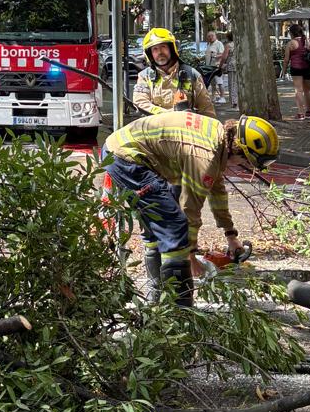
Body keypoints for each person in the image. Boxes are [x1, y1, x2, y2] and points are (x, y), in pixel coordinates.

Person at [103, 110, 279, 306]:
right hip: (127, 159)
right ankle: (181, 312)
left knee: (158, 228)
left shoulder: (217, 136)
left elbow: (218, 192)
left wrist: (231, 235)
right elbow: (190, 208)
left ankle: (157, 299)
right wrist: (191, 256)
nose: (241, 166)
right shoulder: (205, 157)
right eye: (245, 162)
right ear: (239, 152)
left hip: (124, 152)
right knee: (174, 226)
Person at [133, 28, 215, 117]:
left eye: (163, 47)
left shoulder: (191, 74)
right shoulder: (145, 76)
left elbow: (206, 109)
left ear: (172, 49)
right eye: (155, 49)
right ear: (150, 54)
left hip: (184, 128)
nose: (160, 52)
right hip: (155, 129)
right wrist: (169, 114)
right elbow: (140, 103)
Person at [286, 22, 310, 119]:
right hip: (309, 68)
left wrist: (283, 71)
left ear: (291, 33)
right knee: (307, 90)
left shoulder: (290, 43)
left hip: (296, 69)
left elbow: (286, 60)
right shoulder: (309, 41)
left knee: (298, 91)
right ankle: (308, 111)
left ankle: (300, 113)